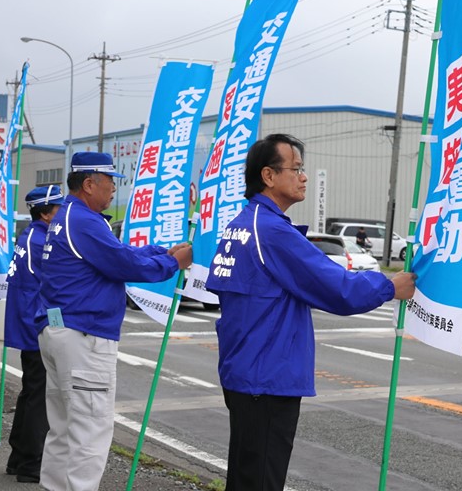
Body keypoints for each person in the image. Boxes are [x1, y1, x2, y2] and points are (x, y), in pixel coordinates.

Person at [205, 134, 416, 491]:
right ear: (269, 176)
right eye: (297, 169)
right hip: (267, 377)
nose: (303, 177)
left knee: (246, 477)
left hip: (245, 371)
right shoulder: (272, 232)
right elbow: (337, 289)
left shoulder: (243, 224)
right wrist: (390, 287)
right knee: (260, 482)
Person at [35, 151, 193, 491]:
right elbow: (123, 264)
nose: (112, 190)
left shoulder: (69, 215)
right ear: (89, 183)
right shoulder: (85, 221)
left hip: (60, 328)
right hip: (83, 335)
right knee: (89, 434)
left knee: (63, 430)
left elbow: (118, 254)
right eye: (109, 183)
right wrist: (172, 264)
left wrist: (160, 252)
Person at [5, 184, 64, 483]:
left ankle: (18, 457)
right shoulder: (43, 240)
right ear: (44, 213)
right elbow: (52, 286)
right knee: (39, 396)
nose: (63, 212)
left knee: (31, 392)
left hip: (26, 318)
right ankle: (31, 463)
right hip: (36, 321)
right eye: (58, 207)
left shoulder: (30, 234)